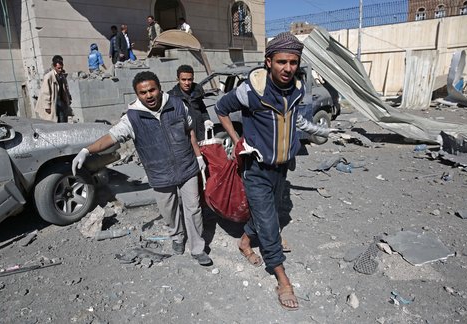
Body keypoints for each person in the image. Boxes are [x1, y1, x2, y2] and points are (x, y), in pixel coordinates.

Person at [215, 32, 336, 311]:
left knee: (263, 216)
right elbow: (222, 108)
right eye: (281, 61)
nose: (288, 68)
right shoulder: (252, 90)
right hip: (256, 168)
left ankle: (245, 242)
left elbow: (296, 120)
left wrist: (322, 131)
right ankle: (281, 277)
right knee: (270, 224)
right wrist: (236, 139)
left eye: (293, 62)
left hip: (281, 168)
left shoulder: (295, 90)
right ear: (268, 61)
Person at [71, 71, 212, 266]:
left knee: (194, 209)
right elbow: (111, 137)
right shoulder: (132, 118)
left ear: (159, 88)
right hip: (160, 173)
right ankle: (178, 237)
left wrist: (198, 156)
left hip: (187, 166)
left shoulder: (178, 105)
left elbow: (190, 132)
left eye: (152, 90)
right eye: (143, 92)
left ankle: (197, 248)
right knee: (169, 212)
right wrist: (87, 150)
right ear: (137, 95)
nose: (149, 95)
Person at [167, 65, 211, 141]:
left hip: (201, 135)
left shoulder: (197, 91)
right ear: (178, 79)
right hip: (185, 138)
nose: (187, 83)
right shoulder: (171, 97)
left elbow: (202, 109)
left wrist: (207, 120)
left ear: (193, 79)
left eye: (189, 80)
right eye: (183, 80)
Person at [35, 55, 72, 123]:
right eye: (59, 68)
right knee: (54, 120)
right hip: (53, 100)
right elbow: (45, 92)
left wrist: (68, 98)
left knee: (63, 117)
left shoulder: (62, 75)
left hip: (60, 100)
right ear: (54, 67)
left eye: (61, 68)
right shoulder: (49, 76)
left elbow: (65, 88)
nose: (60, 70)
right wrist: (47, 106)